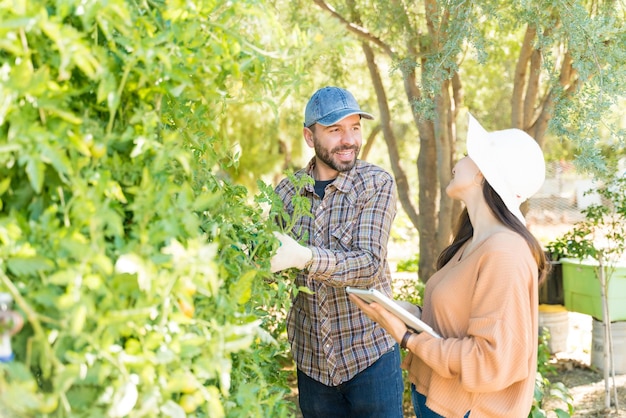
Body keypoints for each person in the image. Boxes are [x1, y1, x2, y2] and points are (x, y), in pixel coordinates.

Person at [350, 114, 549, 418]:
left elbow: (489, 362)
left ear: (483, 174)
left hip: (467, 410)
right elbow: (451, 325)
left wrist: (407, 337)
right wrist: (403, 312)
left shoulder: (505, 252)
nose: (460, 159)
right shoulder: (473, 242)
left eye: (469, 155)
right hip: (439, 400)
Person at [270, 86, 404, 417]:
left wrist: (306, 257)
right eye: (335, 130)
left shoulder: (375, 184)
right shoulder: (287, 191)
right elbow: (269, 264)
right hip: (312, 363)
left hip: (369, 357)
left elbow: (369, 264)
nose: (349, 140)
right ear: (309, 136)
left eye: (355, 127)